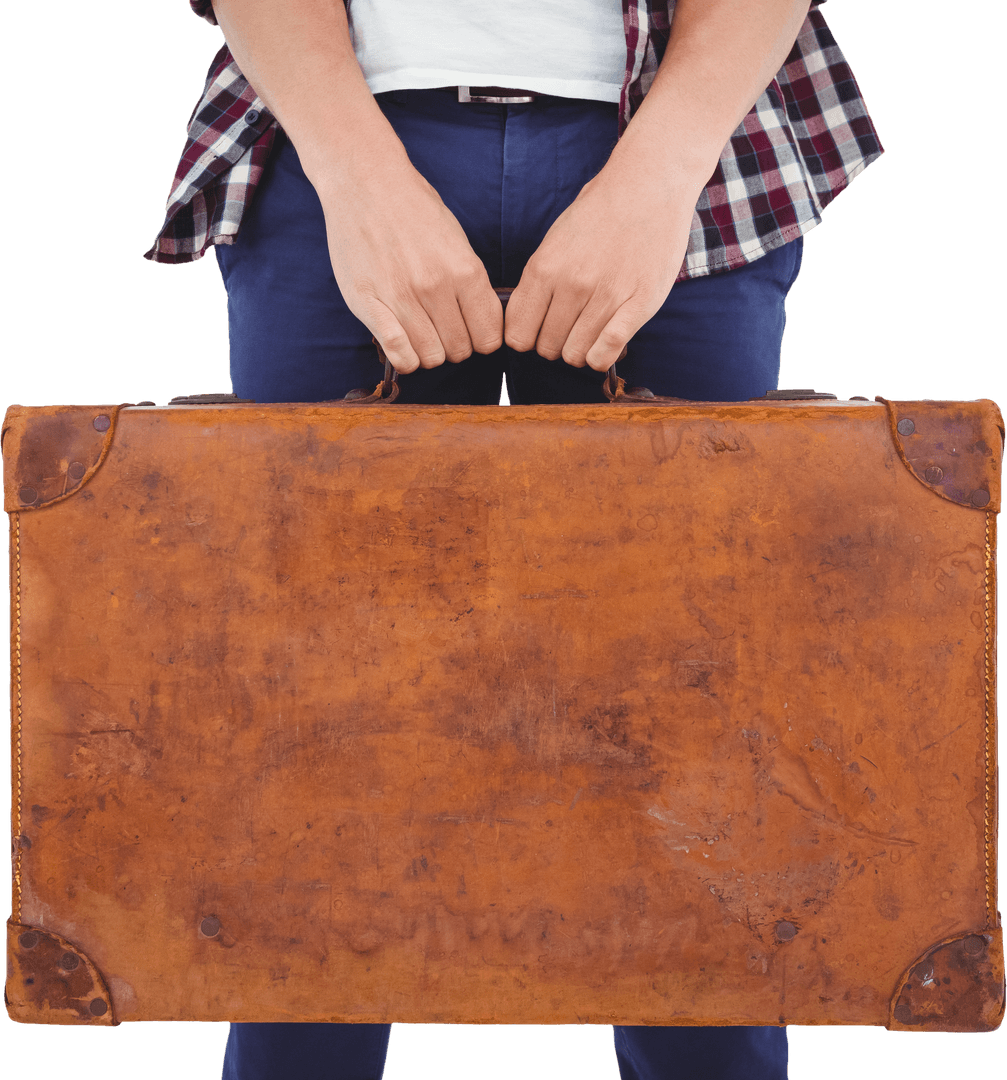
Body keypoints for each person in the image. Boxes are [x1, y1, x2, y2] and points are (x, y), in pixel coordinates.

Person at [145, 2, 883, 1077]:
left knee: (696, 729)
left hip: (682, 141)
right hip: (330, 135)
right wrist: (357, 176)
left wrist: (655, 173)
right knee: (307, 731)